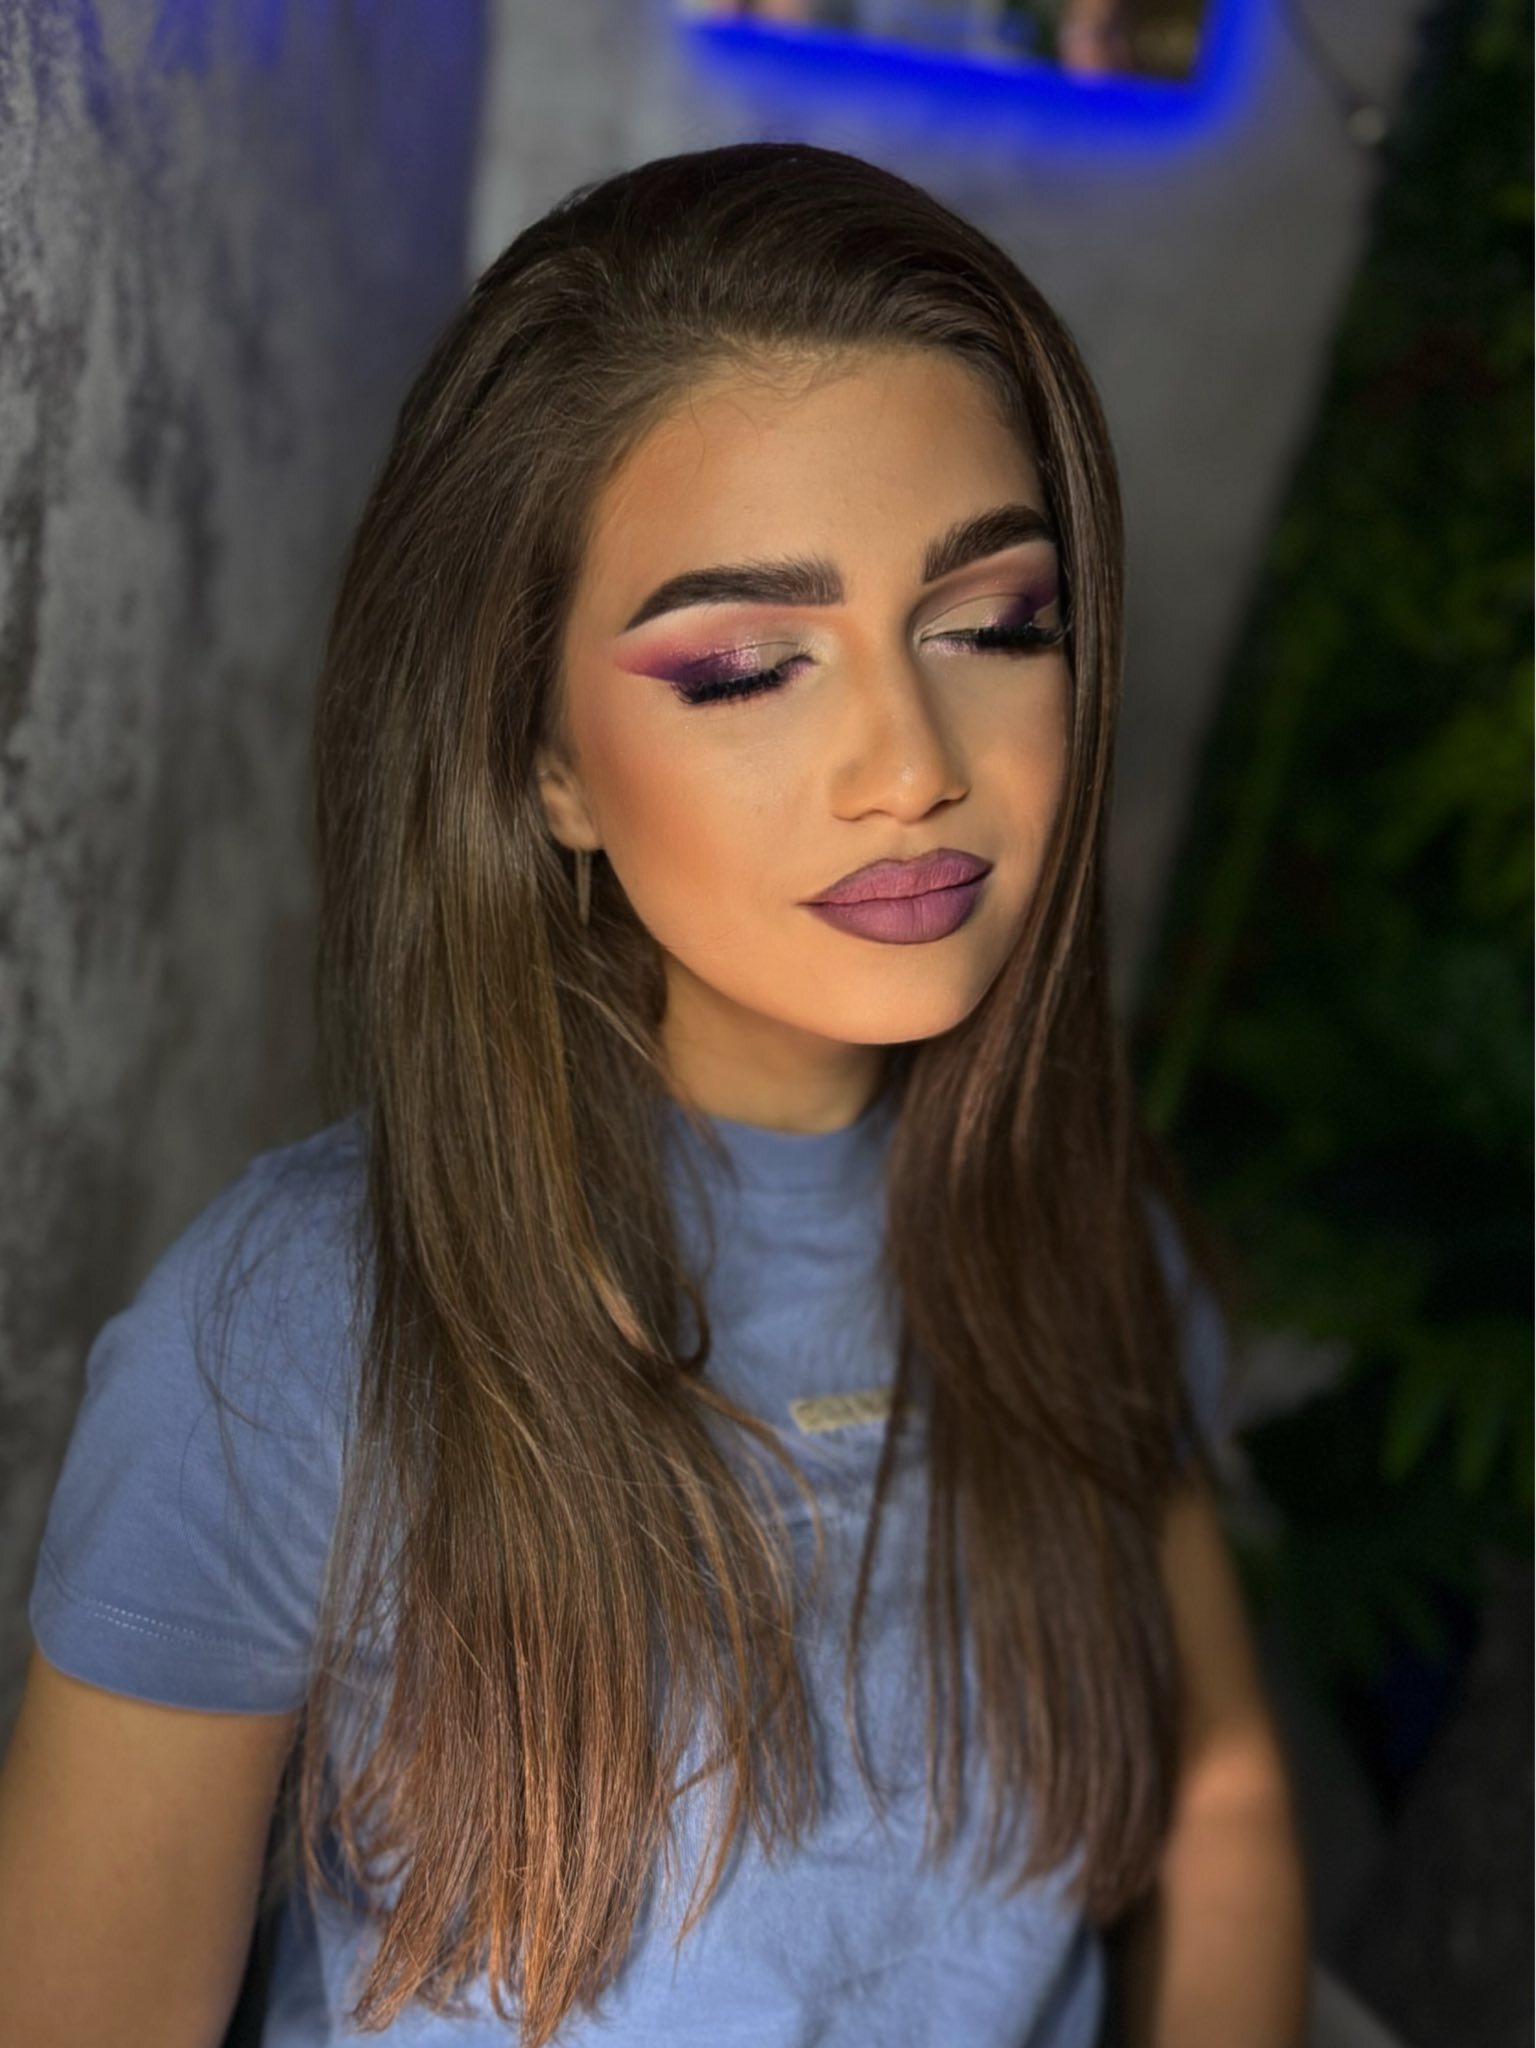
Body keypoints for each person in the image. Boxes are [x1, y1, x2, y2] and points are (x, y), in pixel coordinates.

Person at [0, 141, 1311, 2046]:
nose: (910, 763)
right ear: (545, 763)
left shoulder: (1073, 1240)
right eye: (750, 665)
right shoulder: (291, 1336)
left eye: (991, 624)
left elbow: (1222, 1797)